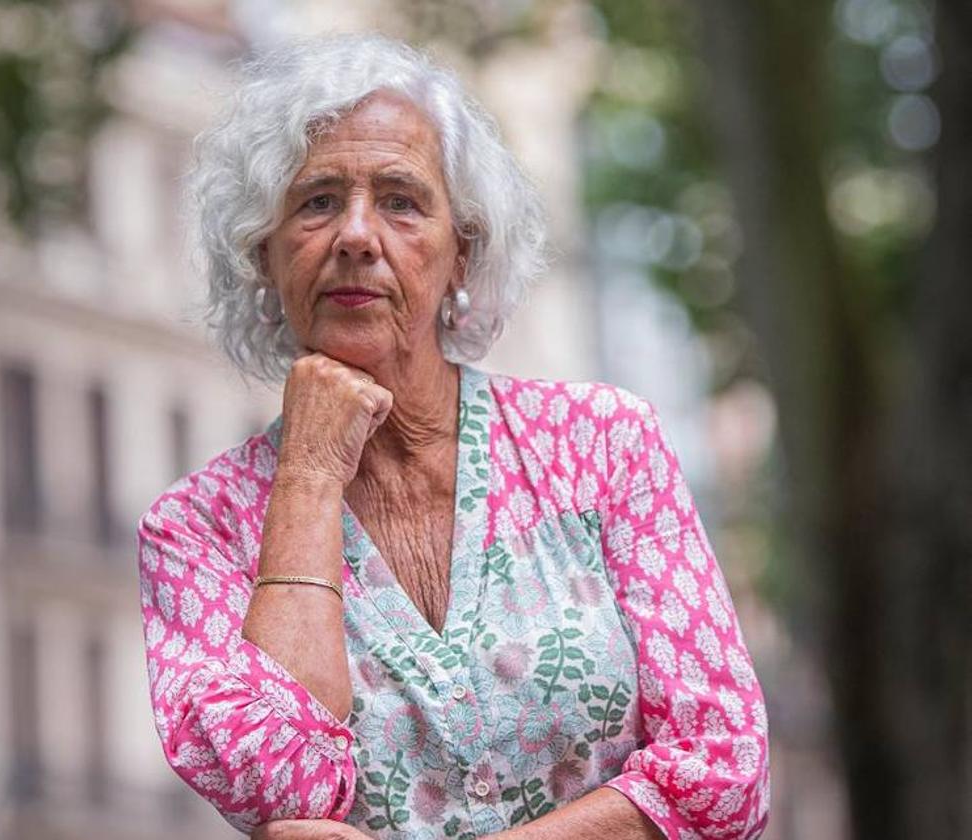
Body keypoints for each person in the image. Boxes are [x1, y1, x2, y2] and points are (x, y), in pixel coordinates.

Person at [136, 34, 770, 840]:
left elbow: (726, 772)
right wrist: (307, 473)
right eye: (317, 201)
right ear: (265, 254)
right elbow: (283, 787)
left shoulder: (603, 444)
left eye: (400, 200)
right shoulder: (198, 530)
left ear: (462, 253)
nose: (357, 236)